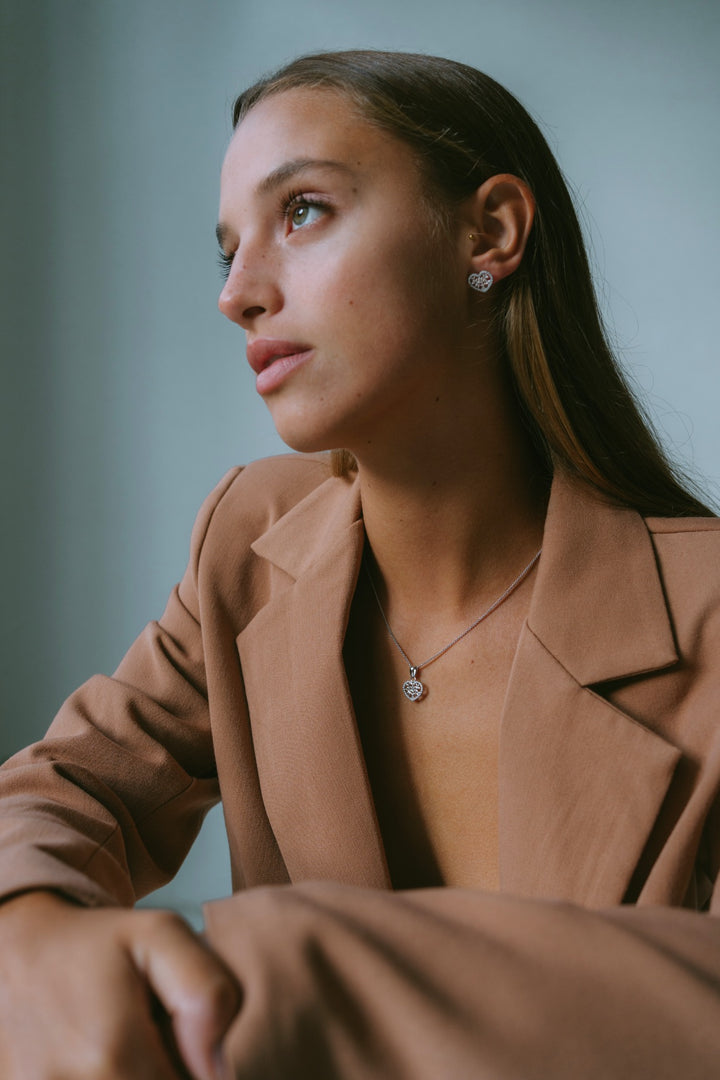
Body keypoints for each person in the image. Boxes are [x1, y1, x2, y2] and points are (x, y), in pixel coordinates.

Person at [1, 48, 719, 1079]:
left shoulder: (706, 615)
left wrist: (270, 969)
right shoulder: (248, 546)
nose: (239, 295)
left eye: (301, 212)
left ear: (491, 231)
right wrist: (25, 925)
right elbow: (67, 788)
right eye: (225, 251)